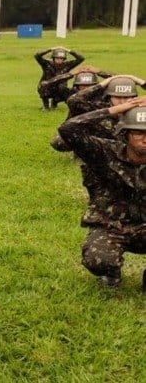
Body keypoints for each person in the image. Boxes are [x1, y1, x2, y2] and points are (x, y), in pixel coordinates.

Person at [58, 98, 146, 288]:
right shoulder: (105, 152)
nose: (145, 138)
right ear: (125, 135)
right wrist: (114, 110)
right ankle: (111, 272)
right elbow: (68, 129)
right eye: (139, 132)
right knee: (98, 259)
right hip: (112, 226)